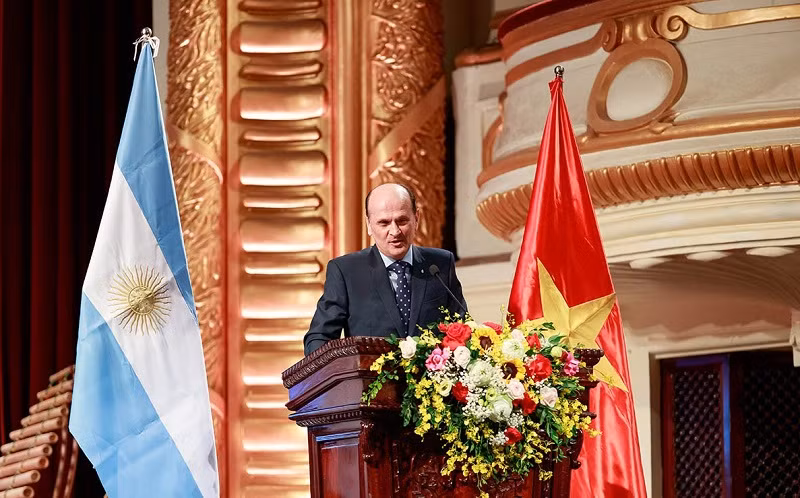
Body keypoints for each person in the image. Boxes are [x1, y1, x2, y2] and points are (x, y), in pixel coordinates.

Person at [303, 183, 467, 355]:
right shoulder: (346, 271)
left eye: (402, 220)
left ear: (416, 218)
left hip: (433, 379)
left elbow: (463, 327)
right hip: (371, 379)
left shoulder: (440, 264)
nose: (395, 231)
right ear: (369, 225)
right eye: (384, 223)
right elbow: (319, 337)